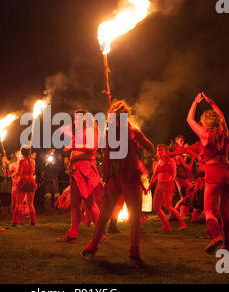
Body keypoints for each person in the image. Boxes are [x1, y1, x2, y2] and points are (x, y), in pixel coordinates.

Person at [81, 100, 155, 268]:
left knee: (133, 216)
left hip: (129, 176)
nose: (112, 118)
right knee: (105, 214)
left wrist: (140, 137)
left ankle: (133, 254)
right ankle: (93, 247)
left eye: (115, 115)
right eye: (112, 115)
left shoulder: (133, 132)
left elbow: (151, 149)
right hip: (114, 178)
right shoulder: (108, 134)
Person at [186, 92, 229, 253]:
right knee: (225, 213)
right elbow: (222, 117)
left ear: (205, 122)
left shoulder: (205, 134)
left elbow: (189, 120)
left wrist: (195, 102)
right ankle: (227, 245)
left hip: (213, 173)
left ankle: (216, 236)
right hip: (228, 173)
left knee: (209, 211)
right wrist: (212, 102)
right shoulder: (224, 132)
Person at [57, 109, 102, 242]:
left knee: (90, 202)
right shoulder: (82, 132)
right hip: (77, 170)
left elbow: (90, 149)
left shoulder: (89, 130)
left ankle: (100, 232)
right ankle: (72, 233)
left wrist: (73, 147)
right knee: (75, 204)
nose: (75, 121)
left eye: (77, 118)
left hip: (85, 169)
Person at [148, 144, 187, 231]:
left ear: (166, 151)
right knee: (156, 207)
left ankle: (183, 223)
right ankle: (166, 225)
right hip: (159, 185)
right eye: (158, 150)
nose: (159, 152)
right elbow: (154, 176)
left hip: (167, 184)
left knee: (168, 206)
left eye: (161, 150)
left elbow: (174, 173)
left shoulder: (170, 160)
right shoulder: (159, 162)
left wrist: (171, 183)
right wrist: (149, 187)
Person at [13, 146, 37, 226]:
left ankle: (15, 221)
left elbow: (19, 173)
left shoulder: (22, 161)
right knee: (30, 204)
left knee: (18, 203)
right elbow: (33, 172)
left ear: (22, 153)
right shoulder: (33, 161)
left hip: (24, 182)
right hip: (31, 182)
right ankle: (33, 221)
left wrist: (15, 173)